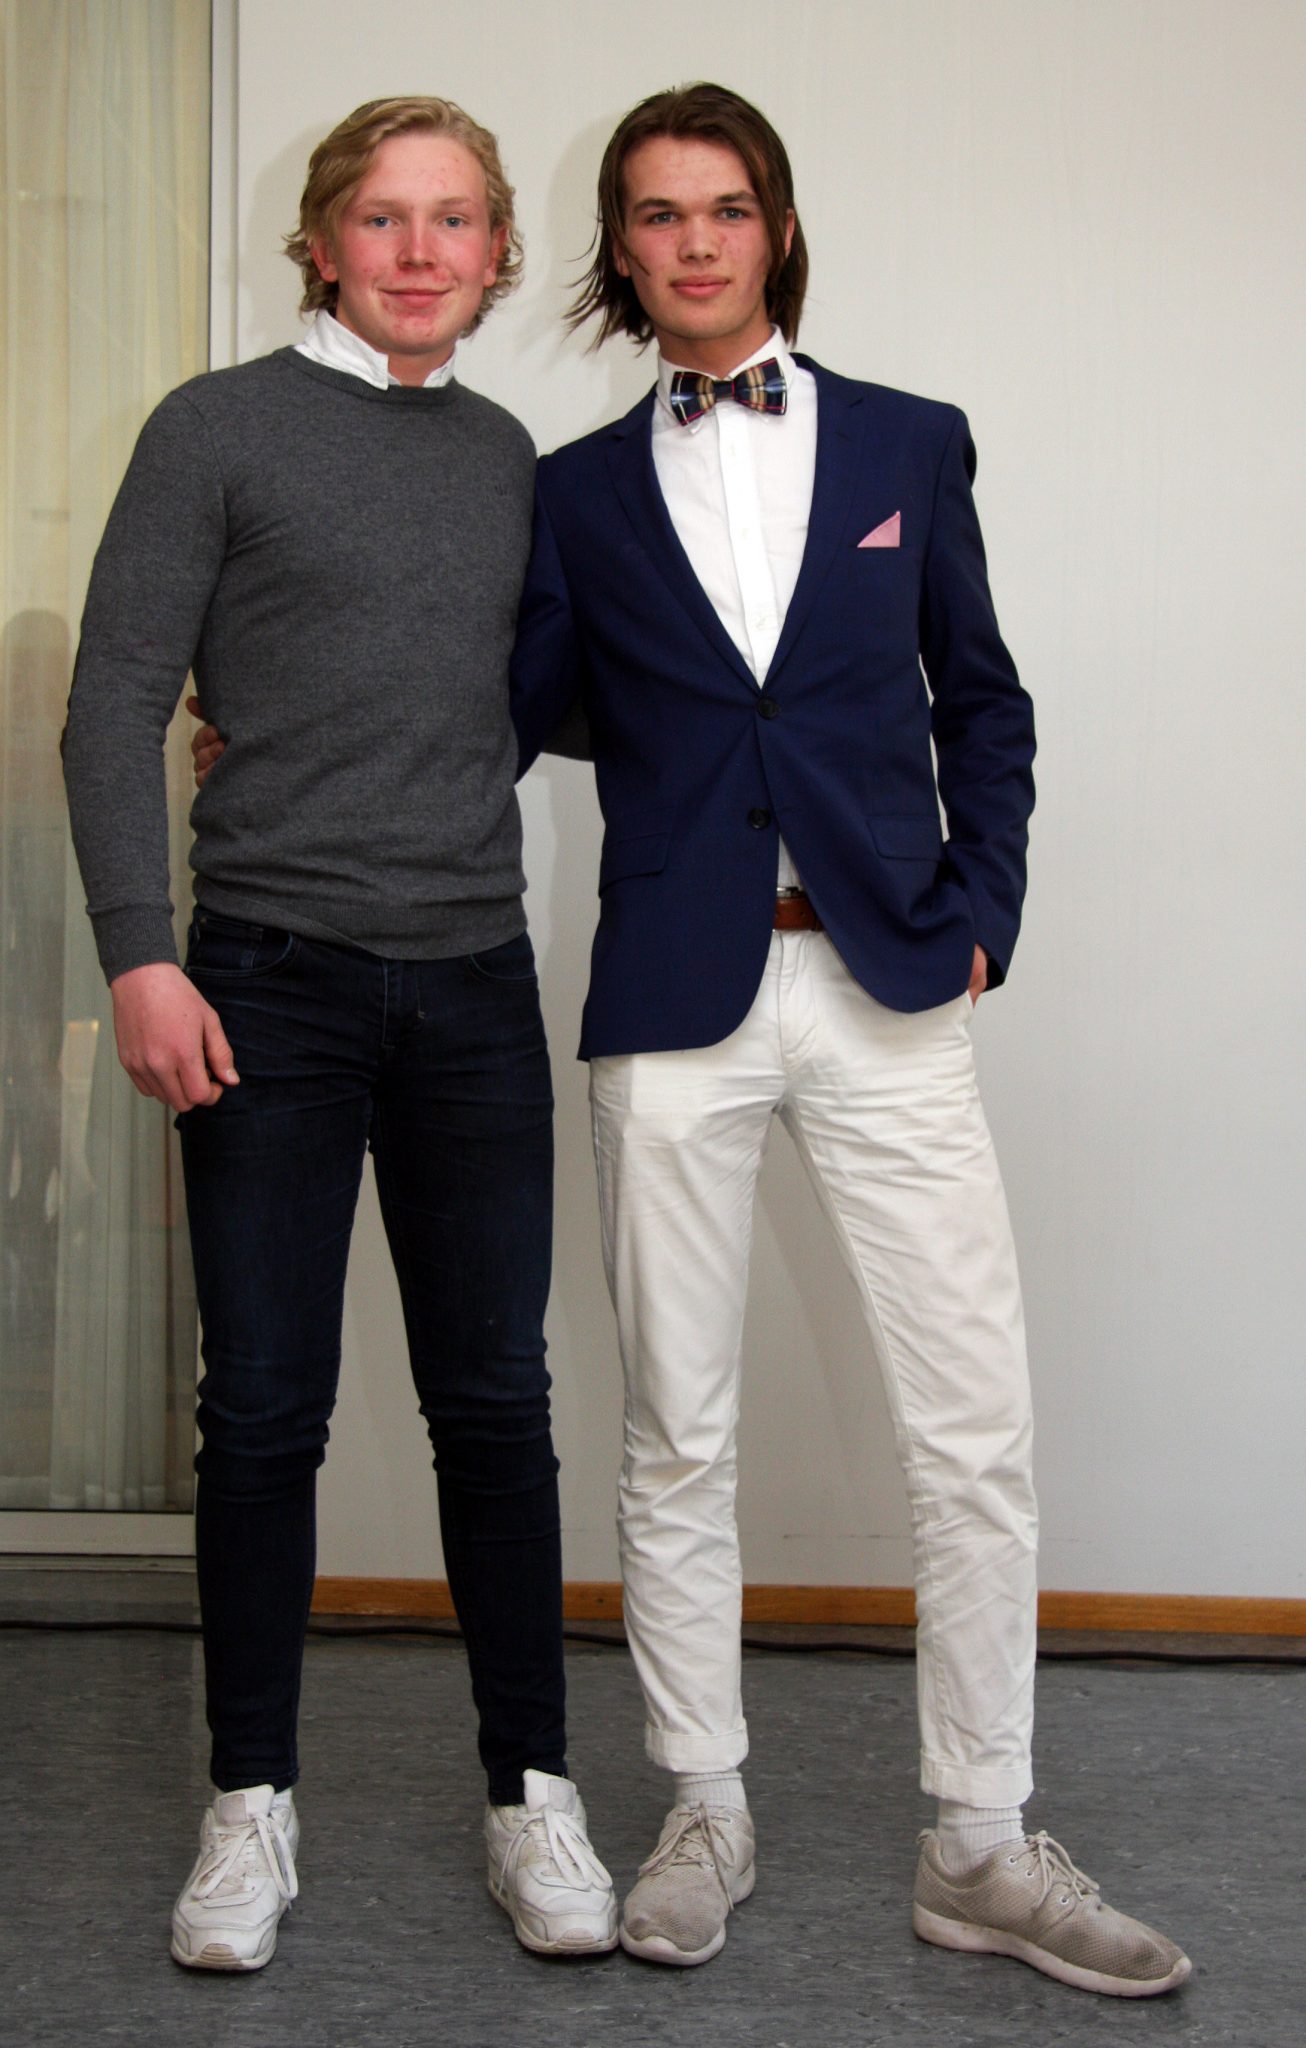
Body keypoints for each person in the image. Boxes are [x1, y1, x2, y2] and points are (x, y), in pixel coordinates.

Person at [504, 83, 1191, 1994]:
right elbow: (510, 707)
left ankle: (977, 1839)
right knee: (676, 1428)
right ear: (622, 249)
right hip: (674, 997)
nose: (694, 242)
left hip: (888, 980)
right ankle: (702, 1807)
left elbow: (984, 699)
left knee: (971, 1430)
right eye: (659, 215)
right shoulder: (570, 491)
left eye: (725, 208)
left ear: (777, 230)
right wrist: (285, 729)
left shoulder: (906, 441)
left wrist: (982, 917)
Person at [62, 96, 617, 1973]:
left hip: (471, 984)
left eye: (455, 220)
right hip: (264, 984)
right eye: (384, 217)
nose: (420, 249)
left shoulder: (509, 457)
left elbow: (528, 697)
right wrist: (142, 958)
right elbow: (113, 700)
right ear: (321, 241)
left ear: (496, 253)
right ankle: (248, 1806)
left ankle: (531, 1797)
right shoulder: (214, 428)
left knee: (498, 1405)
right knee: (262, 1412)